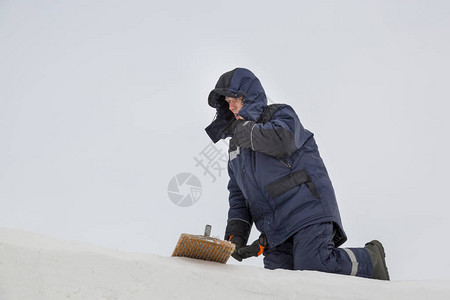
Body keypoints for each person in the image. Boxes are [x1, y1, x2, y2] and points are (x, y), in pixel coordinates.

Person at [205, 67, 390, 280]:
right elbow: (238, 197)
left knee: (314, 267)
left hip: (307, 211)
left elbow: (284, 141)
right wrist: (235, 236)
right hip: (275, 232)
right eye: (228, 101)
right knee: (280, 285)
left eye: (236, 98)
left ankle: (370, 259)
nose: (232, 106)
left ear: (251, 97)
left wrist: (244, 130)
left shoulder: (280, 115)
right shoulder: (235, 151)